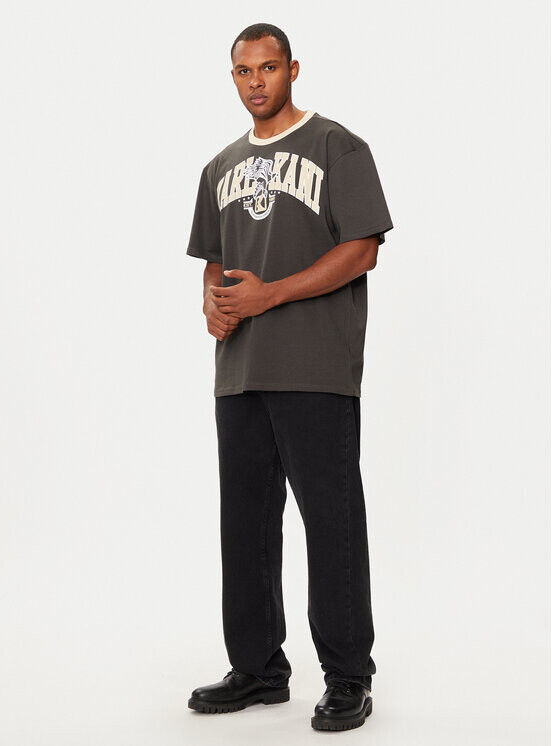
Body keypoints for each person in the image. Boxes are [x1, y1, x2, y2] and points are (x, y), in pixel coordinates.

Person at [185, 22, 394, 732]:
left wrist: (268, 295)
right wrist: (212, 303)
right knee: (244, 524)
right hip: (240, 370)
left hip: (315, 366)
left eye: (269, 69)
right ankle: (257, 669)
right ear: (233, 78)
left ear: (292, 70)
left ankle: (348, 676)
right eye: (244, 72)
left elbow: (362, 250)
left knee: (332, 522)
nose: (257, 83)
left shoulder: (338, 146)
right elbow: (214, 260)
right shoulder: (218, 166)